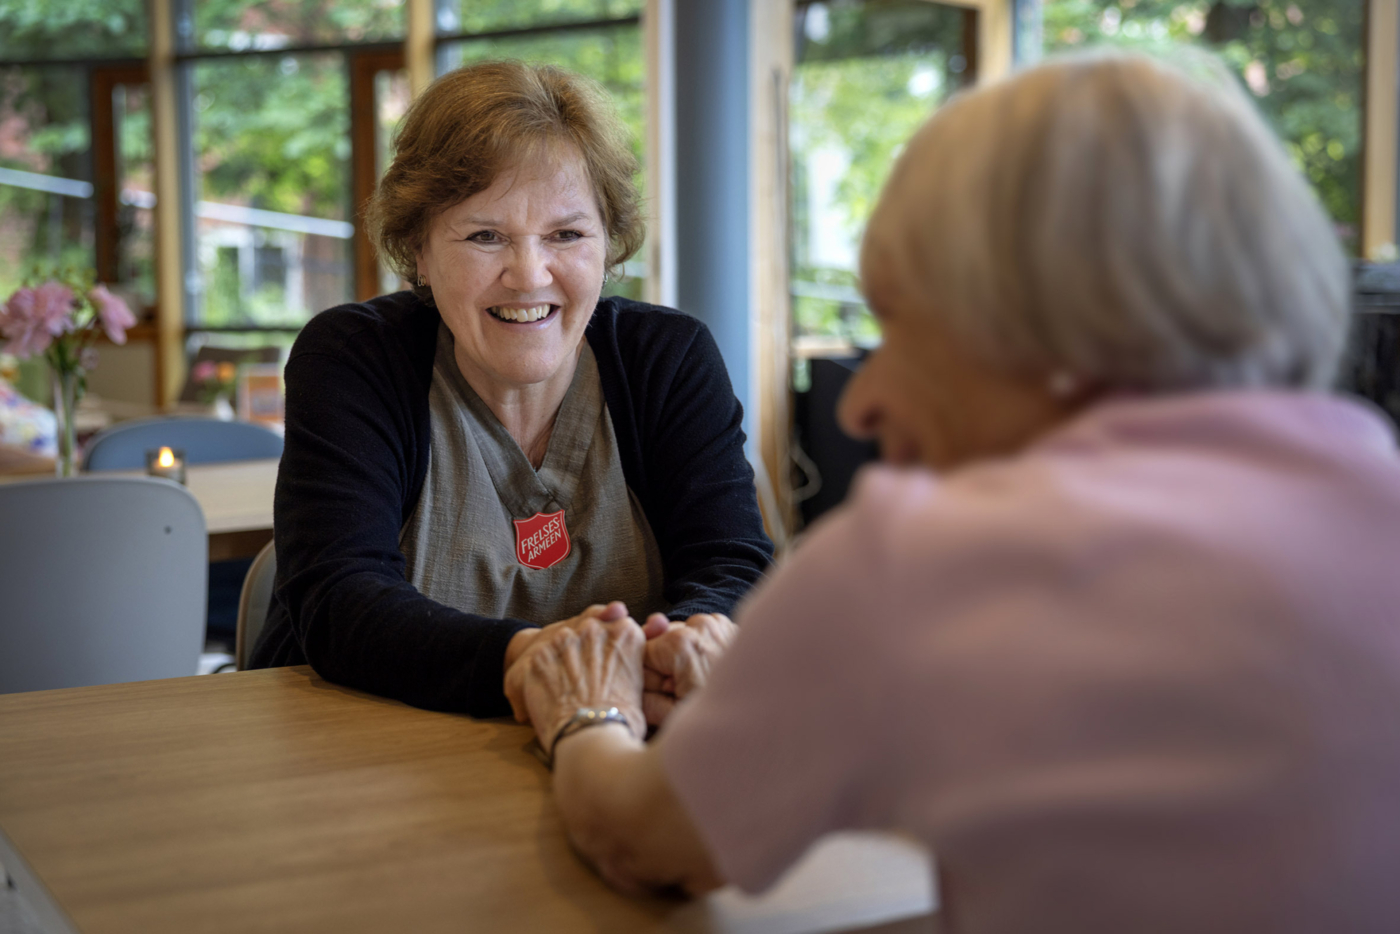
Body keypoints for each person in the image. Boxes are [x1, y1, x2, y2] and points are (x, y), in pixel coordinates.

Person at [508, 52, 1400, 931]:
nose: (862, 402)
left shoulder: (921, 559)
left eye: (907, 327)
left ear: (1046, 323)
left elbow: (641, 838)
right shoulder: (1371, 480)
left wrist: (586, 707)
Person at [249, 61, 773, 718]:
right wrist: (533, 664)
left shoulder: (667, 359)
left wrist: (691, 637)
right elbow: (341, 601)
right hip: (362, 757)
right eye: (485, 236)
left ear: (608, 245)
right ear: (419, 249)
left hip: (626, 740)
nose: (529, 275)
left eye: (567, 234)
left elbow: (733, 562)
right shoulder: (355, 357)